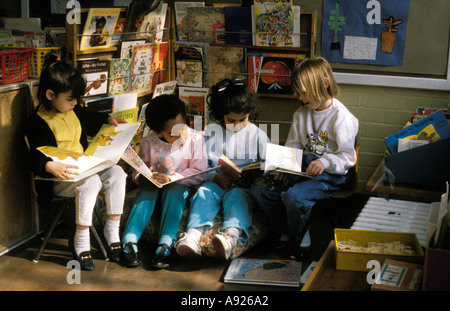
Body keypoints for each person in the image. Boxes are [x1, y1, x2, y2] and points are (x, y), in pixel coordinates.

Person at [26, 54, 128, 271]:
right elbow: (34, 154)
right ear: (50, 95)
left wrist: (109, 120)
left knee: (118, 173)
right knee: (91, 183)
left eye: (77, 100)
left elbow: (89, 118)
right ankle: (81, 240)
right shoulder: (37, 122)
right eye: (71, 99)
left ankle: (112, 231)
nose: (76, 104)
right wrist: (48, 165)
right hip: (57, 178)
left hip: (85, 170)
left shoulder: (72, 110)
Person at [251, 57, 359, 260]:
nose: (300, 98)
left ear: (324, 83)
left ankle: (301, 237)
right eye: (298, 93)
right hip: (302, 169)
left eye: (303, 92)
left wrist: (324, 162)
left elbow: (347, 157)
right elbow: (293, 145)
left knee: (295, 197)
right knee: (259, 189)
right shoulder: (302, 114)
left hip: (330, 176)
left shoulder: (341, 117)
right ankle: (289, 231)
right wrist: (286, 168)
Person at [175, 78, 270, 261]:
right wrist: (214, 178)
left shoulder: (258, 134)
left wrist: (255, 176)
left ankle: (230, 237)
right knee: (203, 193)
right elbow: (202, 164)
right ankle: (193, 236)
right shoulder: (212, 131)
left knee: (238, 199)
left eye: (242, 119)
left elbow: (268, 163)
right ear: (220, 115)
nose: (236, 125)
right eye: (230, 120)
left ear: (250, 113)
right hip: (218, 181)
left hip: (243, 187)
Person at [121, 94, 207, 269]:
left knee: (173, 190)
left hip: (181, 188)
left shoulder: (196, 139)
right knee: (147, 190)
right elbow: (139, 168)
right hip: (154, 188)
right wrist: (142, 178)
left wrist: (171, 178)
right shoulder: (148, 142)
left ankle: (166, 243)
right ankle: (129, 240)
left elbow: (200, 172)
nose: (180, 134)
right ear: (158, 132)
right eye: (172, 133)